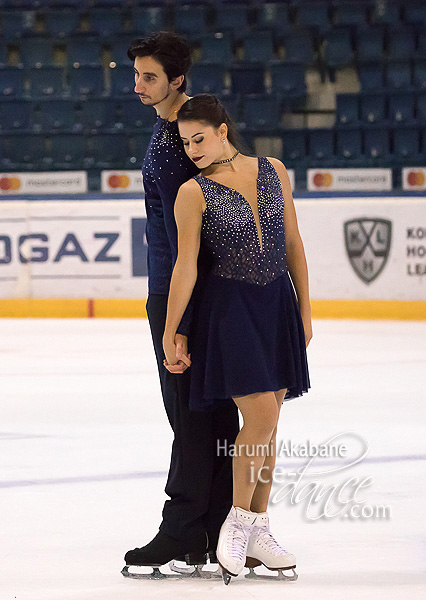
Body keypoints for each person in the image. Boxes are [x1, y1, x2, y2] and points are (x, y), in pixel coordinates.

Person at [163, 94, 312, 584]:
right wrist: (171, 330)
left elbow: (292, 243)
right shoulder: (193, 192)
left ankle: (258, 530)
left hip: (275, 309)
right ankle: (238, 522)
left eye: (199, 138)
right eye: (185, 143)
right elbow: (185, 266)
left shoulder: (274, 169)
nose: (193, 149)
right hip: (229, 314)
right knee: (262, 416)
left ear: (223, 129)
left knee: (271, 423)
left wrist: (304, 311)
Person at [123, 34, 239, 574]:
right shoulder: (169, 133)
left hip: (179, 292)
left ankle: (185, 526)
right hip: (178, 289)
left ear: (178, 79)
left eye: (150, 76)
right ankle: (210, 529)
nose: (139, 85)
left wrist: (179, 318)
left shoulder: (185, 140)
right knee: (205, 414)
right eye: (138, 75)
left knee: (193, 415)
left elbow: (195, 232)